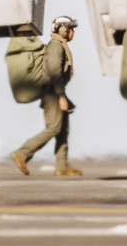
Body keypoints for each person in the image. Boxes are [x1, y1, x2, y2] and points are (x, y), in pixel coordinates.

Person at [10, 16, 82, 178]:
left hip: (54, 91)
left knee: (63, 129)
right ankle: (22, 153)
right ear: (63, 29)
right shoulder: (56, 47)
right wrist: (61, 96)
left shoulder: (59, 46)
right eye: (71, 29)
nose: (73, 33)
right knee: (54, 128)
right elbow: (55, 72)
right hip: (52, 92)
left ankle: (62, 166)